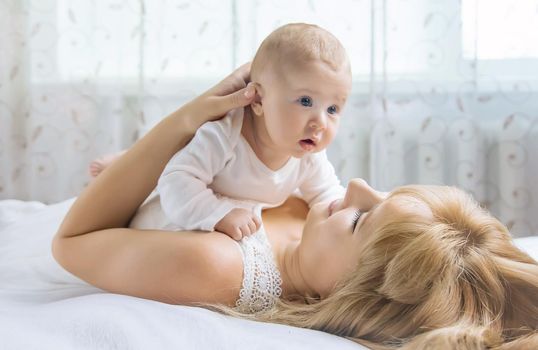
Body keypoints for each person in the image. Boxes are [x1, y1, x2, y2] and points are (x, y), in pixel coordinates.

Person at [53, 64, 538, 349]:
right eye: (386, 194)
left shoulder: (217, 264)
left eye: (362, 217)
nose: (357, 184)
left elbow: (71, 241)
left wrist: (189, 116)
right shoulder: (319, 219)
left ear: (351, 289)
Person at [123, 23, 351, 241]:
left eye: (332, 109)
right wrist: (219, 213)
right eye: (305, 101)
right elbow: (175, 181)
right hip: (180, 216)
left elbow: (326, 193)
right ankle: (123, 160)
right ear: (259, 99)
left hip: (245, 214)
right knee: (168, 167)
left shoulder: (308, 155)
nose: (320, 122)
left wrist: (344, 213)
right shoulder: (224, 136)